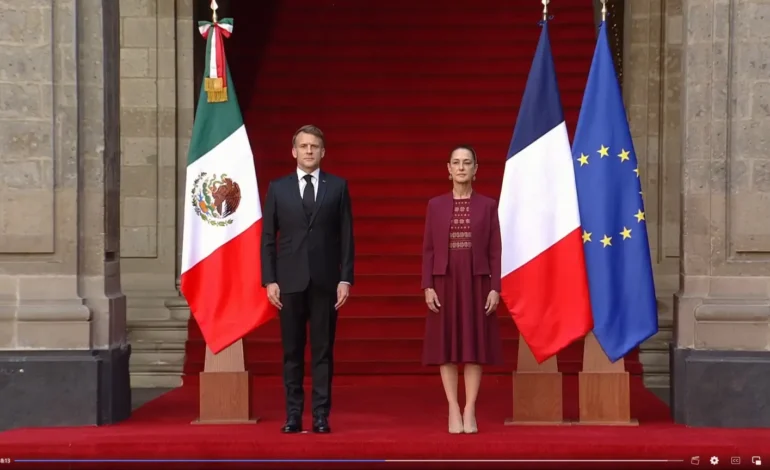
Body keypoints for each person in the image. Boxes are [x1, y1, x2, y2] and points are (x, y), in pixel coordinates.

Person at [261, 124, 354, 434]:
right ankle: (292, 414)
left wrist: (346, 279)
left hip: (326, 281)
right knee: (292, 351)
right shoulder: (278, 188)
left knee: (323, 350)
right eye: (304, 146)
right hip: (288, 282)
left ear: (323, 152)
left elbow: (346, 237)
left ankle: (320, 415)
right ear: (294, 151)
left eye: (314, 146)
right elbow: (268, 239)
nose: (309, 151)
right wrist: (269, 279)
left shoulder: (338, 187)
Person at [421, 145, 503, 434]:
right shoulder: (435, 205)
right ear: (448, 169)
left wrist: (495, 288)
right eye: (456, 163)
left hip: (477, 281)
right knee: (446, 347)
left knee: (473, 347)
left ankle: (470, 409)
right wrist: (427, 285)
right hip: (444, 281)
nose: (461, 167)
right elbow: (429, 249)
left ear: (475, 169)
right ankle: (453, 408)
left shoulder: (488, 206)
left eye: (467, 162)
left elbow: (495, 250)